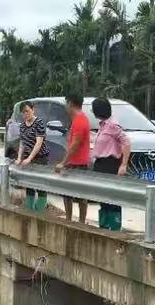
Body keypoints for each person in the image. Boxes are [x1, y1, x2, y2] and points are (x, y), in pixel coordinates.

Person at [91, 97, 131, 231]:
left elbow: (126, 142)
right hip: (100, 164)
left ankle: (114, 228)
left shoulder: (113, 125)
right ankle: (104, 226)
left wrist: (123, 164)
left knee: (112, 198)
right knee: (103, 198)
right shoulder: (103, 125)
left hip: (110, 164)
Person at [55, 94, 90, 223]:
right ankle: (69, 220)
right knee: (67, 194)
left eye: (66, 104)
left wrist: (63, 162)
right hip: (74, 162)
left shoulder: (80, 120)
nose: (66, 107)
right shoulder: (77, 119)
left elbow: (75, 144)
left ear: (70, 103)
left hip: (78, 163)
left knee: (80, 195)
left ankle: (81, 222)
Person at [15, 101, 50, 212]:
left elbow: (38, 143)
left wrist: (30, 158)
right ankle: (29, 210)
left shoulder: (39, 123)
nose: (26, 114)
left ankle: (39, 211)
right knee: (29, 186)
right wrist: (19, 158)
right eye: (23, 112)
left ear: (32, 110)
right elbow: (22, 142)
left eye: (27, 111)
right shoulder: (22, 126)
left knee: (40, 186)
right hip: (27, 158)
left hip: (40, 158)